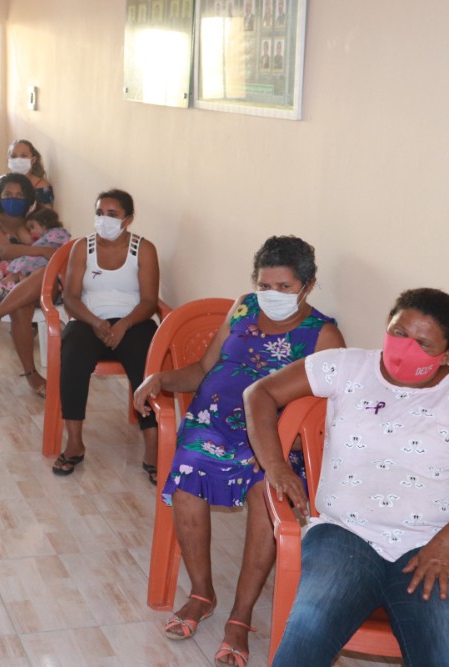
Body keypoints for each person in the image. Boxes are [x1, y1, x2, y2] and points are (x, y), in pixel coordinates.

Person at [244, 288, 449, 667]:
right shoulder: (345, 366)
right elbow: (260, 393)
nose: (405, 347)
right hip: (344, 536)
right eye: (399, 332)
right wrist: (276, 465)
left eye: (423, 342)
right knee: (305, 637)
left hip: (435, 546)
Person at [132, 236, 344, 663]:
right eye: (265, 284)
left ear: (308, 286)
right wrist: (159, 379)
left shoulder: (323, 335)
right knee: (187, 476)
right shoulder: (244, 307)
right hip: (212, 428)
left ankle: (241, 616)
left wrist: (278, 455)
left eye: (284, 287)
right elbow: (203, 368)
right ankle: (201, 592)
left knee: (265, 495)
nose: (272, 295)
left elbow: (328, 411)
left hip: (274, 442)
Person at [53, 189, 160, 477]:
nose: (104, 220)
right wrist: (96, 323)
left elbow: (149, 301)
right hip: (89, 322)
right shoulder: (81, 248)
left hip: (133, 322)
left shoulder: (144, 249)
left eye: (112, 215)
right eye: (100, 213)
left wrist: (123, 324)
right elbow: (72, 297)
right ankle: (74, 443)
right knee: (73, 354)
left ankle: (152, 445)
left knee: (145, 359)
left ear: (128, 219)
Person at [0, 173, 59, 396]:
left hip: (45, 285)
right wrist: (40, 250)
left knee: (43, 272)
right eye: (8, 194)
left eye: (20, 195)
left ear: (29, 198)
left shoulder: (42, 219)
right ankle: (31, 374)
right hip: (7, 285)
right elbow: (3, 250)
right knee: (20, 305)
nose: (14, 199)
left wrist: (43, 252)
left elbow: (59, 244)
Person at [0, 208, 71, 290]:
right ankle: (3, 285)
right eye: (29, 229)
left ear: (44, 223)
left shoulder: (57, 232)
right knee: (18, 273)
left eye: (33, 227)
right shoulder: (44, 237)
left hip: (44, 262)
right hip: (39, 261)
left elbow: (58, 245)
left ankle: (4, 286)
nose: (31, 231)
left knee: (22, 270)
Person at [0, 139, 54, 217]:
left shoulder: (41, 186)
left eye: (23, 156)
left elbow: (47, 217)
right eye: (13, 156)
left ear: (33, 160)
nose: (18, 160)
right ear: (8, 160)